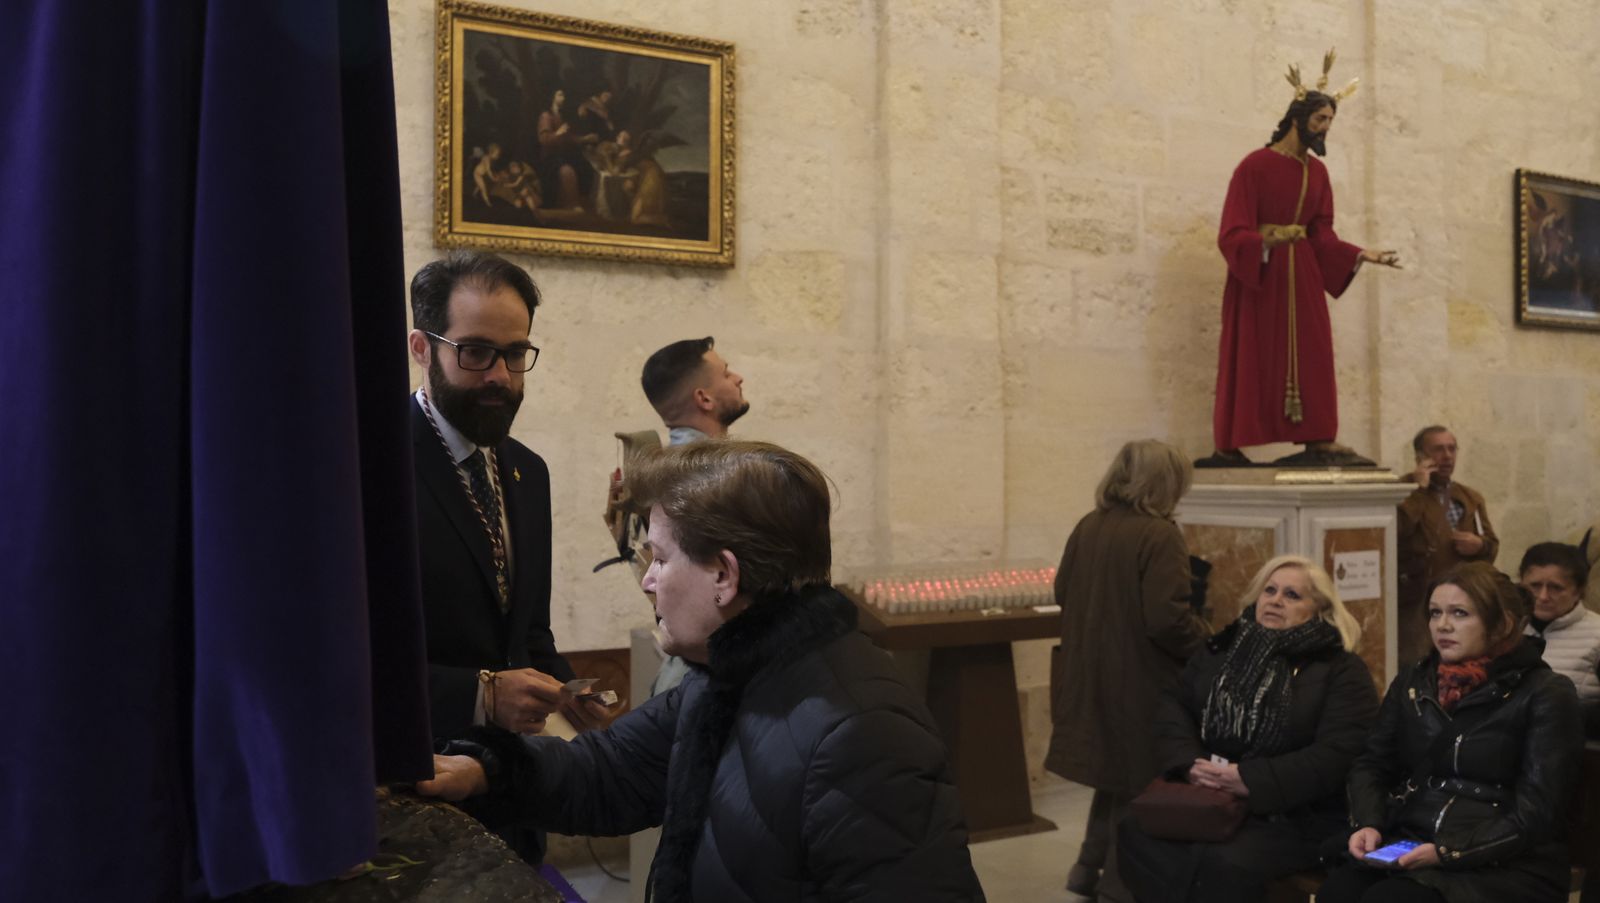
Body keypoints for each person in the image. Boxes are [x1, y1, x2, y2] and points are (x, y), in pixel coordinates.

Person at [419, 441, 986, 902]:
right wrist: (486, 769)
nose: (648, 581)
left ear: (724, 576)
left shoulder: (862, 735)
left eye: (661, 559)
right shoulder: (726, 677)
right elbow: (613, 771)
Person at [407, 251, 606, 860]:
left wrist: (574, 691)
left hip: (511, 795)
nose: (500, 374)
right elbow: (343, 661)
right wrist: (481, 694)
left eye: (516, 354)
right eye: (475, 352)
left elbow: (528, 631)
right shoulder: (367, 469)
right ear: (422, 348)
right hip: (415, 790)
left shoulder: (527, 470)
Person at [1117, 556, 1378, 903]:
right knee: (1135, 830)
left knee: (1222, 863)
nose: (1275, 600)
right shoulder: (1222, 649)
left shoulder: (1340, 669)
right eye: (1269, 590)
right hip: (1210, 794)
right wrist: (1190, 764)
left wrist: (1250, 780)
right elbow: (1174, 705)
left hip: (1294, 814)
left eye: (1292, 595)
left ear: (1318, 610)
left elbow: (1338, 753)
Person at [1319, 562, 1583, 903]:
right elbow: (1371, 764)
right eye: (1434, 613)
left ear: (1501, 623)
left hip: (1507, 859)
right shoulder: (1415, 680)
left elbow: (1537, 812)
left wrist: (1448, 852)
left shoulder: (1545, 692)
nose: (1442, 625)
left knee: (1392, 899)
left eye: (1460, 613)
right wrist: (1368, 824)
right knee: (1338, 891)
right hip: (1414, 838)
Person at [1202, 50, 1399, 468]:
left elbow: (1322, 234)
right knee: (1252, 351)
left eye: (1330, 121)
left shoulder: (1318, 174)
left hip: (1304, 277)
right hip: (1261, 275)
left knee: (1313, 352)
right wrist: (1268, 242)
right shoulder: (1253, 167)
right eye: (1320, 120)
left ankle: (1318, 436)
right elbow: (1233, 231)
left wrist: (1360, 253)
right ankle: (1232, 442)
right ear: (1298, 118)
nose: (1325, 128)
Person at [1046, 439, 1212, 902]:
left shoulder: (1090, 525)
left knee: (1112, 777)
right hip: (1140, 681)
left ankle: (1085, 869)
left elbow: (1063, 591)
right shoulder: (1159, 535)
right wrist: (1209, 640)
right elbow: (1167, 619)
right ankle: (1120, 890)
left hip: (1091, 671)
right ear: (1167, 483)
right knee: (1141, 787)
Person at [601, 337, 752, 695]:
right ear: (704, 398)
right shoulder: (707, 479)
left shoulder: (665, 472)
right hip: (708, 670)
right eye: (727, 373)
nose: (739, 377)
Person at [1396, 426, 1498, 663]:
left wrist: (1479, 545)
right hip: (1417, 598)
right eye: (1438, 449)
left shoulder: (1469, 496)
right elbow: (1399, 530)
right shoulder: (1401, 491)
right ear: (1421, 456)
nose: (1447, 456)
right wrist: (1418, 489)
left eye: (1451, 449)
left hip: (1464, 594)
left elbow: (1492, 544)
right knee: (1420, 660)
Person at [1520, 541, 1600, 736]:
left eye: (1556, 588)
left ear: (1578, 591)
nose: (1543, 596)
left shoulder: (1596, 634)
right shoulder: (1505, 630)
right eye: (1535, 586)